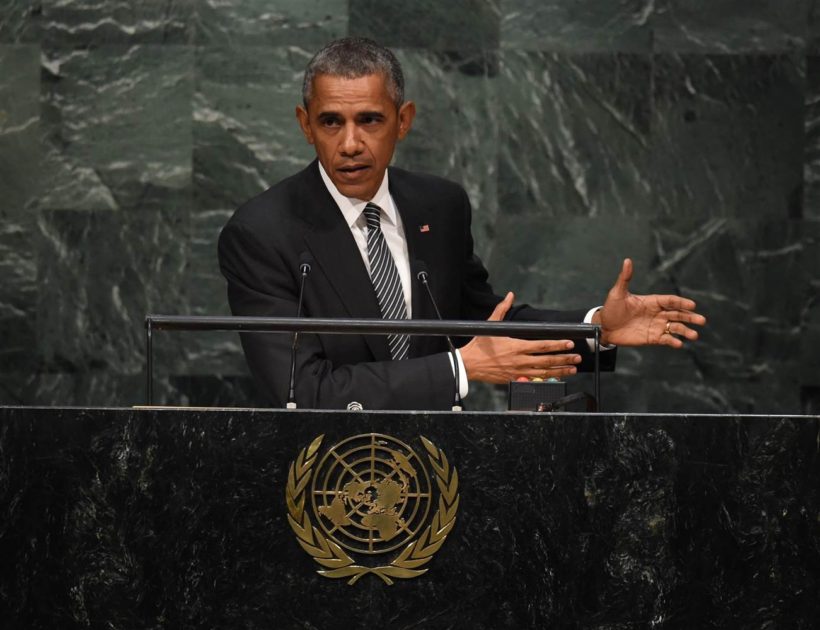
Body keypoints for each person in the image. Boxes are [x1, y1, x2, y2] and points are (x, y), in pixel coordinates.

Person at [218, 37, 706, 410]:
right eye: (330, 122)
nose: (350, 143)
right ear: (305, 125)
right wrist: (460, 368)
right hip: (326, 478)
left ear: (402, 120)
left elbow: (482, 321)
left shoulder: (439, 206)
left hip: (443, 465)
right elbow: (303, 390)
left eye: (369, 120)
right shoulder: (263, 232)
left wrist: (596, 327)